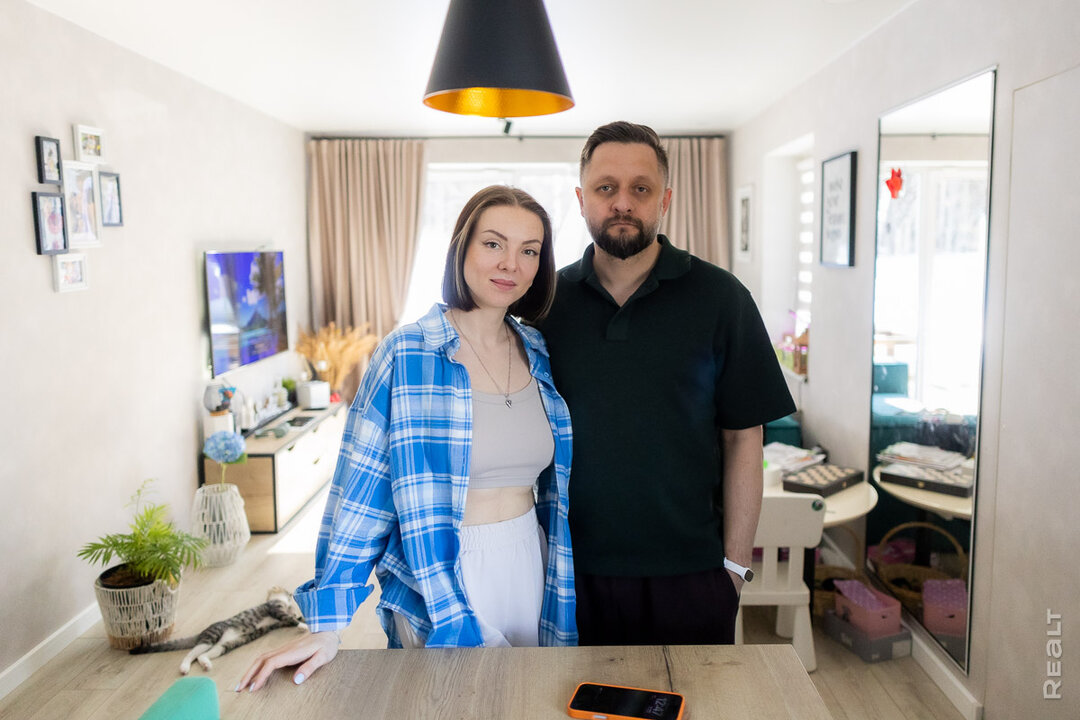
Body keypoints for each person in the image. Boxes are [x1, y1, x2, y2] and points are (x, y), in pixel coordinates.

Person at [237, 186, 576, 692]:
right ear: (461, 248)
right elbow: (361, 492)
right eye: (493, 244)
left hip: (532, 563)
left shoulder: (538, 349)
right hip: (442, 570)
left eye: (529, 250)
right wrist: (327, 625)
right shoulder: (406, 353)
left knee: (532, 702)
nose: (511, 263)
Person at [536, 121, 796, 646]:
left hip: (693, 577)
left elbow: (744, 438)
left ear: (666, 200)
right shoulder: (543, 304)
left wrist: (734, 569)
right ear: (581, 200)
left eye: (641, 188)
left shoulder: (723, 299)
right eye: (606, 187)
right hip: (566, 573)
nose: (623, 202)